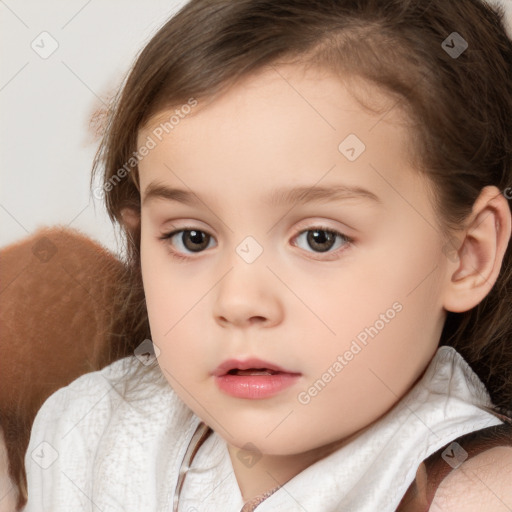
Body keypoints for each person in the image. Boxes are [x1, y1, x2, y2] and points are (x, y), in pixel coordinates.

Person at [22, 0, 512, 510]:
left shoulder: (479, 494)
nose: (238, 301)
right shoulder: (91, 429)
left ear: (467, 254)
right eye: (193, 238)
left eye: (319, 238)